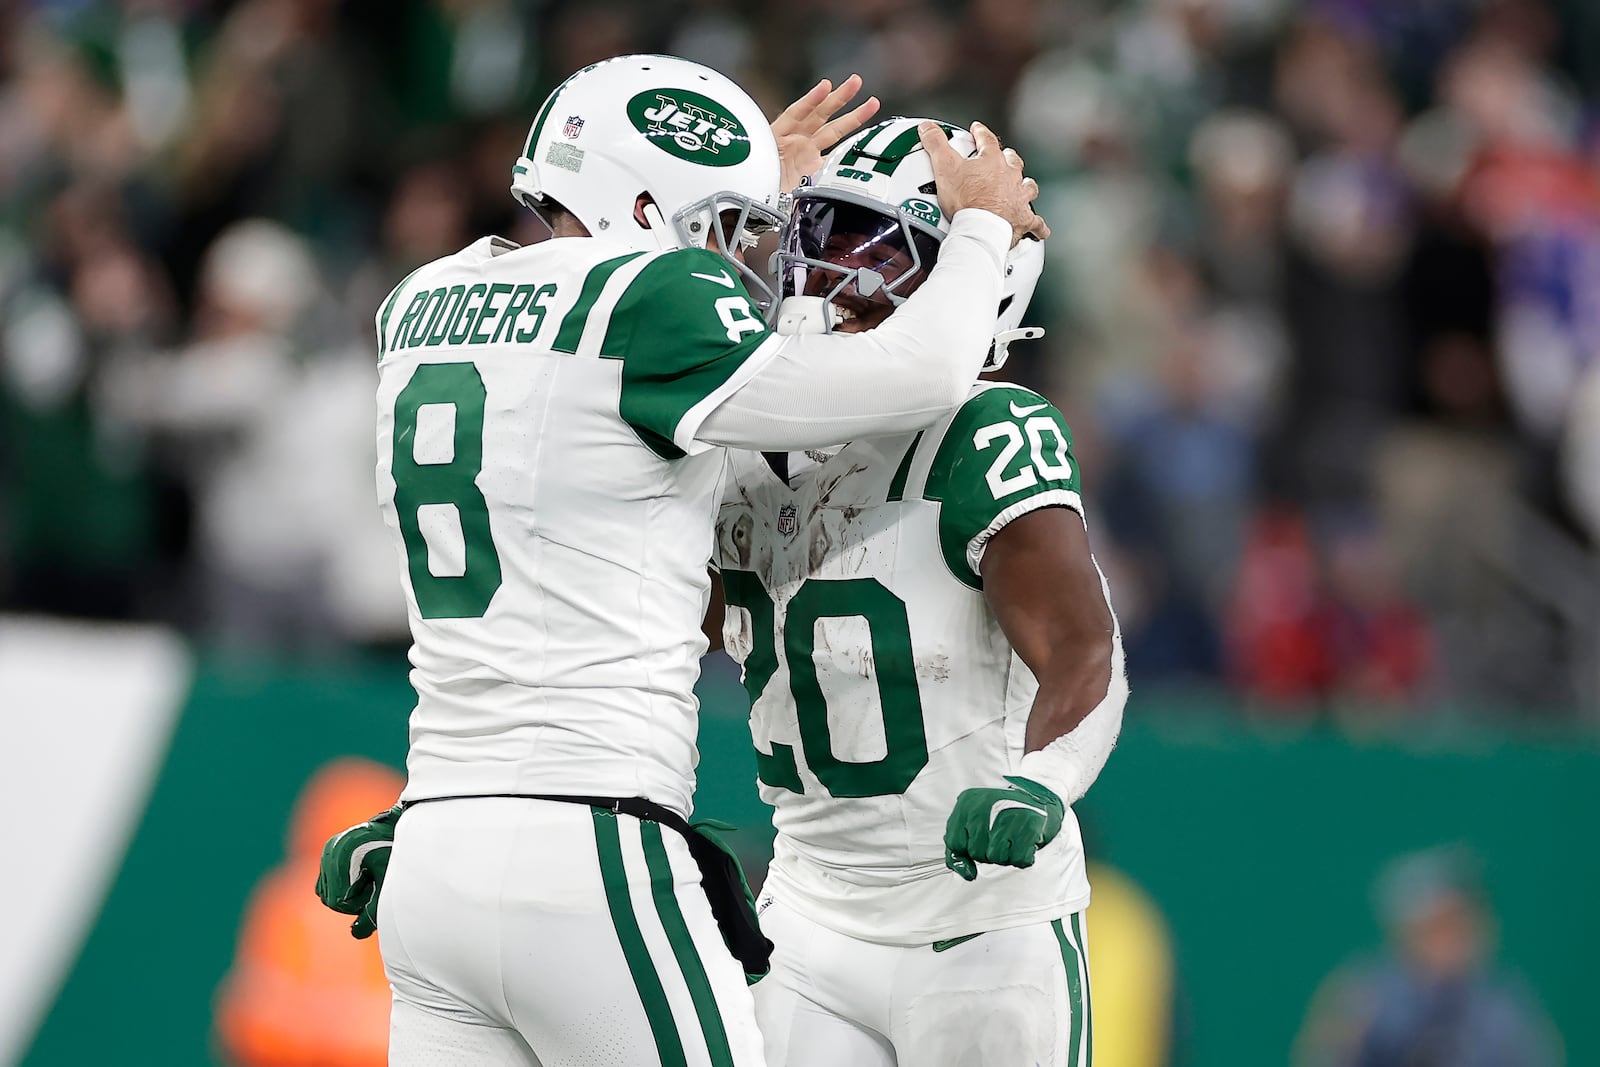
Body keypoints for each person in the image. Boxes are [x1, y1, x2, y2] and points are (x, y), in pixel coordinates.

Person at [316, 57, 1048, 1066]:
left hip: (435, 839)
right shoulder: (649, 293)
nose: (741, 248)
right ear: (648, 197)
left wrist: (760, 185)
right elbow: (917, 371)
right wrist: (979, 232)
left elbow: (569, 475)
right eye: (721, 220)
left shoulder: (418, 302)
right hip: (584, 841)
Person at [709, 116, 1127, 1066]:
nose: (827, 279)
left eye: (876, 248)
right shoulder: (739, 427)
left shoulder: (986, 431)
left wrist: (1042, 782)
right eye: (817, 235)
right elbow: (635, 626)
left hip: (979, 925)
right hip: (808, 911)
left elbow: (1084, 647)